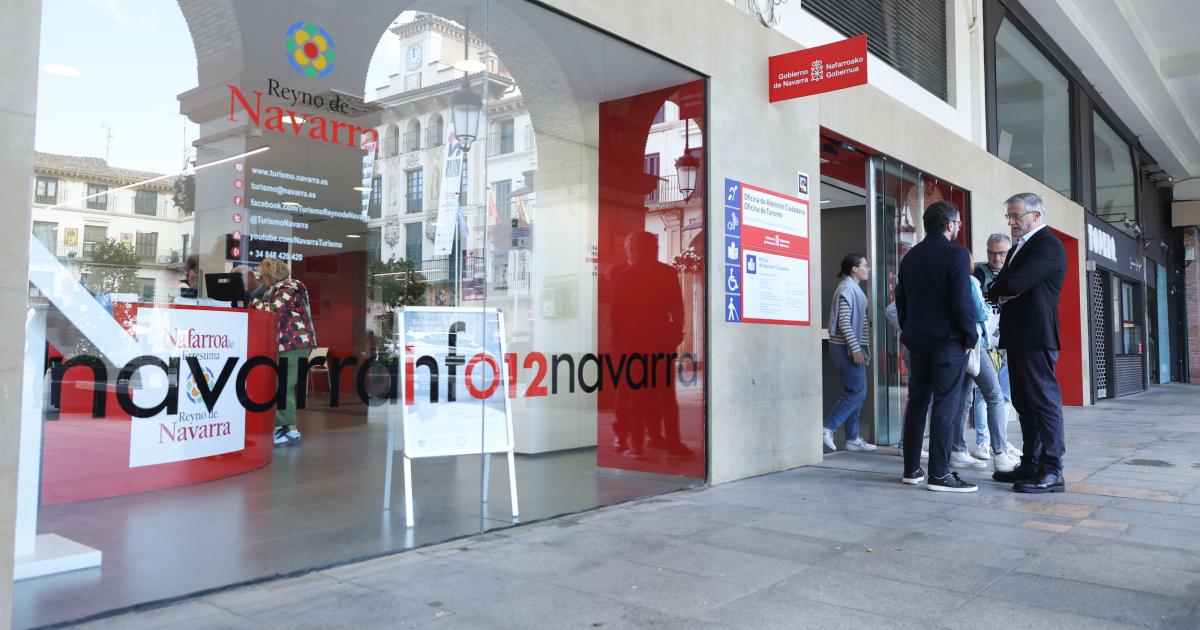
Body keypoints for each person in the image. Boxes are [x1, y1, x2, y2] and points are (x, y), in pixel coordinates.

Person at [987, 193, 1067, 493]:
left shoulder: (1048, 245)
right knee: (1024, 403)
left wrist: (1005, 288)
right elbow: (996, 288)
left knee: (1043, 402)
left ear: (1036, 215)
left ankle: (1052, 470)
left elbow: (1012, 283)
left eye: (1016, 216)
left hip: (1037, 335)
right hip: (1018, 336)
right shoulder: (1018, 248)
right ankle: (1031, 464)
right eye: (1009, 216)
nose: (1011, 222)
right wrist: (1004, 289)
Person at [896, 201, 978, 492]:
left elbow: (901, 300)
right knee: (946, 404)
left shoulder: (910, 257)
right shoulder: (956, 254)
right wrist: (970, 336)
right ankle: (940, 475)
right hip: (947, 342)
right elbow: (961, 301)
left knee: (917, 402)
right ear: (950, 225)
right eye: (958, 223)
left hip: (918, 342)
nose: (958, 228)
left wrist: (909, 329)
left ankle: (911, 469)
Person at [610, 232, 693, 458]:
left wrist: (621, 342)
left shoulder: (625, 276)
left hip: (634, 345)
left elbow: (617, 314)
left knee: (637, 396)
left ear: (636, 250)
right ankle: (673, 445)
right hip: (661, 343)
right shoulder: (667, 273)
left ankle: (636, 447)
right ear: (654, 249)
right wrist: (674, 336)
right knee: (667, 396)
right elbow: (677, 309)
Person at [949, 261, 1019, 473]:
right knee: (995, 395)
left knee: (964, 398)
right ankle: (1000, 453)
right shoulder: (970, 281)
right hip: (975, 345)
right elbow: (982, 313)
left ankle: (957, 449)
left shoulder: (945, 282)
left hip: (956, 345)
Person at [251, 258, 317, 447]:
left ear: (271, 275)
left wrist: (251, 301)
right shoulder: (275, 290)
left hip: (295, 344)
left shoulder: (292, 286)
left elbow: (274, 310)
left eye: (262, 276)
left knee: (284, 386)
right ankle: (282, 427)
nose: (261, 280)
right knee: (279, 385)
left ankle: (290, 430)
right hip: (285, 345)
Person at [822, 254, 877, 452]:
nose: (868, 269)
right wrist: (855, 348)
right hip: (845, 348)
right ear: (854, 269)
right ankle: (827, 428)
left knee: (858, 392)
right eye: (865, 265)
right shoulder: (847, 289)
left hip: (848, 348)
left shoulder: (852, 288)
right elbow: (844, 322)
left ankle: (852, 438)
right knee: (857, 391)